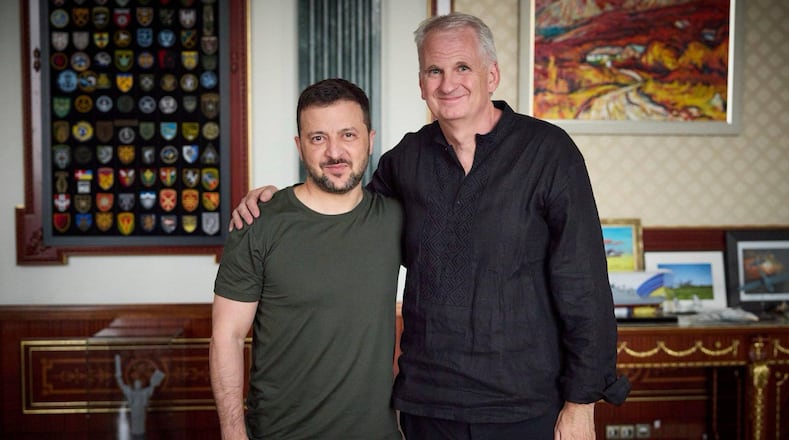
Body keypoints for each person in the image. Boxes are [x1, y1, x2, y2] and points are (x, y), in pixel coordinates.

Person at [231, 13, 630, 439]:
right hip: (427, 405)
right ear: (421, 83)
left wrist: (581, 403)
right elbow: (345, 209)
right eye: (434, 71)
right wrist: (278, 202)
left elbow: (584, 286)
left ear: (491, 74)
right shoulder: (405, 160)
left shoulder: (549, 154)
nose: (447, 83)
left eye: (462, 67)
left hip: (526, 406)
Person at [210, 78, 404, 440]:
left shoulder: (396, 219)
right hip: (279, 433)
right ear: (300, 146)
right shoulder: (257, 223)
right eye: (318, 138)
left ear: (370, 140)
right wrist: (233, 434)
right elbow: (227, 337)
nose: (334, 152)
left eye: (348, 135)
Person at [115, 354, 165, 438]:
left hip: (142, 428)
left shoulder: (144, 393)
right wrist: (118, 374)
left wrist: (155, 378)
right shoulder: (130, 392)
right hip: (133, 428)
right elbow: (121, 384)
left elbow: (153, 384)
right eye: (135, 381)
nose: (137, 383)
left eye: (139, 381)